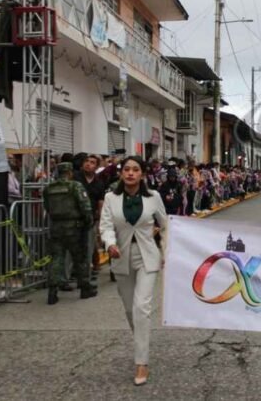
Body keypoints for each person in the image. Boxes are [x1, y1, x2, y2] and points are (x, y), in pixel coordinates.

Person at [99, 156, 168, 386]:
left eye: (135, 170)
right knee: (130, 310)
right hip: (121, 257)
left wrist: (167, 252)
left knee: (142, 308)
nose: (130, 173)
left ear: (142, 174)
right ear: (121, 174)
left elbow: (165, 225)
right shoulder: (111, 198)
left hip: (147, 257)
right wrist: (110, 243)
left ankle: (142, 362)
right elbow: (106, 225)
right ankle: (142, 338)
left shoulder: (153, 197)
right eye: (126, 169)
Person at [42, 162, 96, 305]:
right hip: (75, 227)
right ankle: (85, 288)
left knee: (56, 258)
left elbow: (47, 207)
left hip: (56, 227)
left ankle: (52, 290)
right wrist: (89, 221)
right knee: (80, 258)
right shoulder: (75, 186)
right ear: (70, 172)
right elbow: (85, 206)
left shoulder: (48, 188)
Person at [74, 154, 106, 279]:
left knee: (89, 246)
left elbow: (100, 201)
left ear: (96, 166)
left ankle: (85, 273)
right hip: (75, 218)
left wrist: (100, 220)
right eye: (86, 161)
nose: (88, 164)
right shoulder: (76, 178)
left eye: (92, 162)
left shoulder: (99, 182)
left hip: (91, 219)